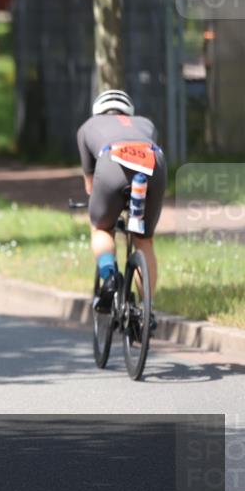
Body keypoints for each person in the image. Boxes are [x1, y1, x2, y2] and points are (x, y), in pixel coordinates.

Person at [77, 89, 166, 328]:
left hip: (111, 163)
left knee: (100, 228)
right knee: (143, 239)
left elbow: (90, 185)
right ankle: (147, 309)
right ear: (129, 112)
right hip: (154, 163)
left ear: (98, 111)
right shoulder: (147, 124)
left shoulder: (88, 126)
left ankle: (108, 278)